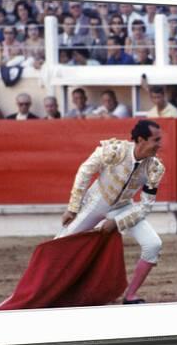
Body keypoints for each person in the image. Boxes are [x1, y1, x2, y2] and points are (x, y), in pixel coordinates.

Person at [58, 120, 166, 304]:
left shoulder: (155, 168)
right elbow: (85, 171)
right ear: (141, 140)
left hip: (123, 207)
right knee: (60, 245)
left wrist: (117, 222)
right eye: (156, 140)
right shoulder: (115, 150)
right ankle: (46, 292)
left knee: (153, 244)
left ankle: (130, 296)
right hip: (96, 202)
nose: (159, 144)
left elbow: (145, 206)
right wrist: (73, 207)